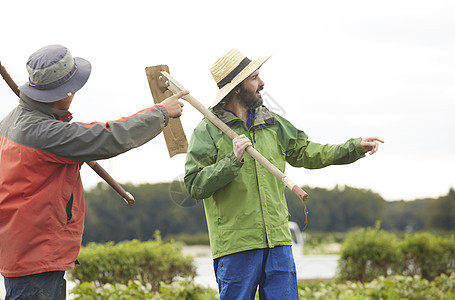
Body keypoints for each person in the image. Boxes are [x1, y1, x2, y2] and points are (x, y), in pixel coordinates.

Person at [184, 49, 383, 299]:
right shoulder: (208, 131)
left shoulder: (272, 123)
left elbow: (307, 151)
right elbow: (195, 185)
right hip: (236, 245)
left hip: (278, 241)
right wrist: (232, 160)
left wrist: (353, 147)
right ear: (236, 88)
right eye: (254, 78)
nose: (262, 83)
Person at [0, 44, 187, 299]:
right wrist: (161, 113)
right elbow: (108, 136)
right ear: (63, 92)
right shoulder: (44, 133)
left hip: (24, 250)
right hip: (37, 255)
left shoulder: (14, 121)